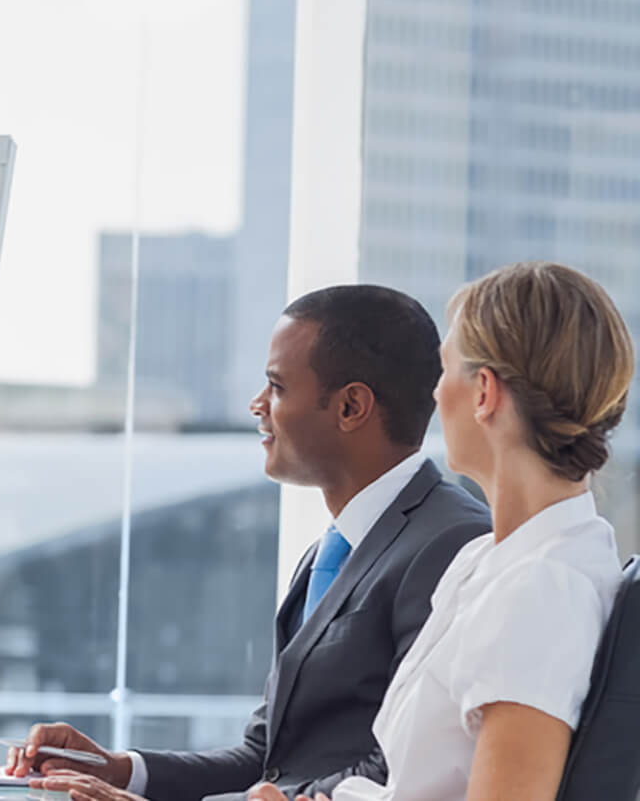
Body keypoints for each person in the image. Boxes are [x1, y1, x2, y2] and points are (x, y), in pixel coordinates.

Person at [8, 285, 492, 801]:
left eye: (277, 386)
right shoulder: (331, 552)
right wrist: (120, 770)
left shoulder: (453, 543)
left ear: (351, 406)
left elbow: (397, 771)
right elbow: (266, 761)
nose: (257, 405)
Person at [248, 262, 631, 801]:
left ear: (482, 393)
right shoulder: (489, 561)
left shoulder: (541, 588)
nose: (432, 395)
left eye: (443, 372)